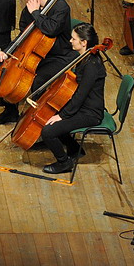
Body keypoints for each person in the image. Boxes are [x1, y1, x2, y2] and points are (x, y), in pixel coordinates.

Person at [0, 0, 76, 125]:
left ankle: (39, 119)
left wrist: (36, 13)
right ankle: (10, 112)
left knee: (38, 80)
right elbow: (23, 36)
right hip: (34, 52)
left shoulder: (60, 7)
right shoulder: (28, 10)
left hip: (58, 56)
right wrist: (7, 52)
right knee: (4, 70)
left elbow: (51, 29)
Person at [39, 22, 106, 174]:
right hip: (82, 107)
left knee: (48, 131)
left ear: (84, 42)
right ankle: (75, 149)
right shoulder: (85, 58)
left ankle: (64, 163)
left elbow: (81, 95)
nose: (70, 41)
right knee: (50, 115)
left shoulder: (92, 65)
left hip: (90, 113)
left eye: (74, 39)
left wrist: (62, 115)